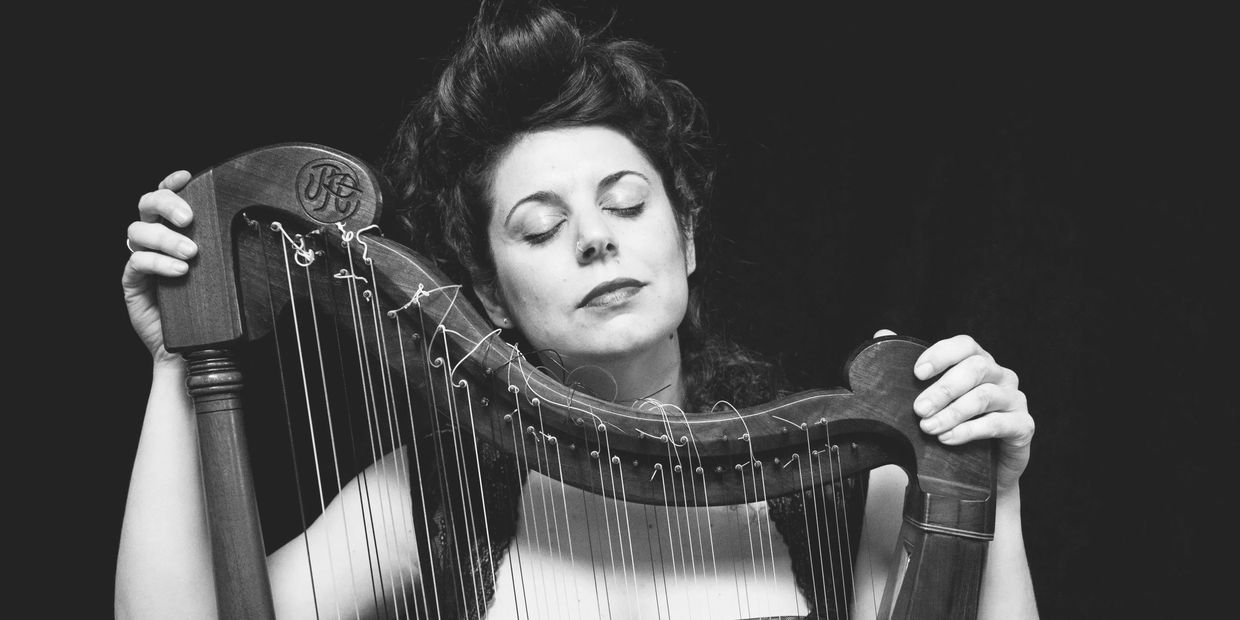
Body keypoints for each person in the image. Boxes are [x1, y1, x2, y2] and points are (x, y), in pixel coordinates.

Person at [116, 1, 1038, 618]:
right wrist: (174, 363)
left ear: (685, 239)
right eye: (541, 227)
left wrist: (988, 486)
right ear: (488, 294)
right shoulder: (436, 496)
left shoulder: (850, 483)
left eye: (627, 206)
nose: (596, 239)